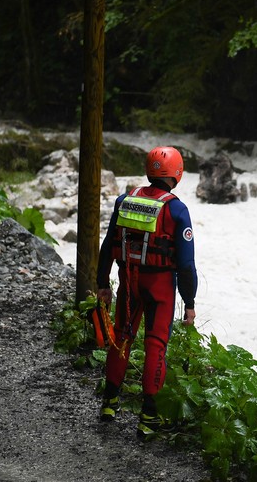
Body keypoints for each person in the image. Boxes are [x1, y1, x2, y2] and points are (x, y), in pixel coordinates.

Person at [96, 146, 198, 440]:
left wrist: (103, 283)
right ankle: (149, 416)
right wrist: (189, 302)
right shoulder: (177, 210)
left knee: (122, 335)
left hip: (128, 280)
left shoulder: (124, 200)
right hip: (160, 288)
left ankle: (110, 403)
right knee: (155, 344)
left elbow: (107, 246)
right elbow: (186, 265)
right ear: (176, 174)